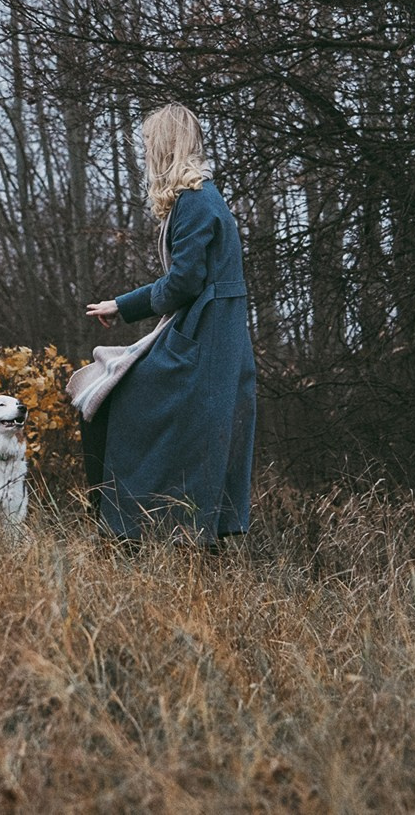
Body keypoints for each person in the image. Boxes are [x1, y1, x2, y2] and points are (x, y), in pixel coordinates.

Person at [83, 104, 256, 544]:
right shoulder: (196, 198)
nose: (145, 153)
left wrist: (122, 306)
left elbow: (184, 282)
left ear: (164, 146)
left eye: (147, 144)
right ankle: (141, 527)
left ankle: (127, 528)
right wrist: (121, 305)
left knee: (116, 401)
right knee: (143, 414)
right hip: (207, 336)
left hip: (206, 340)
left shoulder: (196, 200)